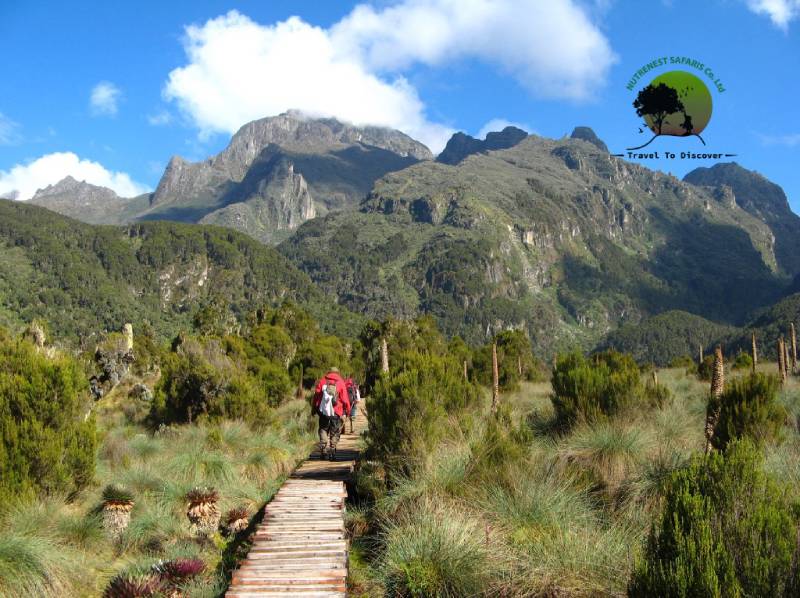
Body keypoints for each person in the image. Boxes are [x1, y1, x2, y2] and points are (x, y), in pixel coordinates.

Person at [312, 368, 350, 461]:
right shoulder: (340, 382)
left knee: (323, 429)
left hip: (323, 412)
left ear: (329, 372)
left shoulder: (322, 381)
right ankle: (332, 450)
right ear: (337, 372)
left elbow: (316, 396)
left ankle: (323, 449)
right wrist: (347, 411)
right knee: (335, 431)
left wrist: (314, 408)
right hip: (336, 412)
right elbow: (345, 399)